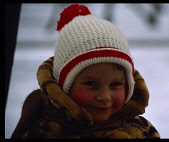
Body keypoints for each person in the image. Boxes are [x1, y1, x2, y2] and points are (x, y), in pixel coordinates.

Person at [11, 4, 160, 139]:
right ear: (63, 86)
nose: (105, 96)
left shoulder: (140, 129)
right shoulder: (47, 132)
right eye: (91, 83)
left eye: (116, 84)